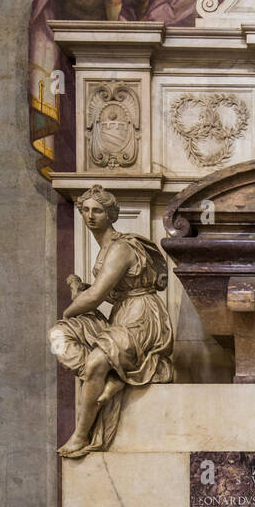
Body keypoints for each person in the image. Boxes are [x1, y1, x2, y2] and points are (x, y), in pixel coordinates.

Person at [48, 185, 173, 458]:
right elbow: (102, 292)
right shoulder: (105, 248)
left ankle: (81, 435)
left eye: (98, 210)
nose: (91, 216)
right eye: (86, 210)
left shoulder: (119, 248)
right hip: (121, 315)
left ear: (111, 215)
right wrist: (80, 293)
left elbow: (96, 297)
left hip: (142, 318)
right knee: (58, 336)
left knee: (94, 359)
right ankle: (112, 377)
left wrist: (71, 310)